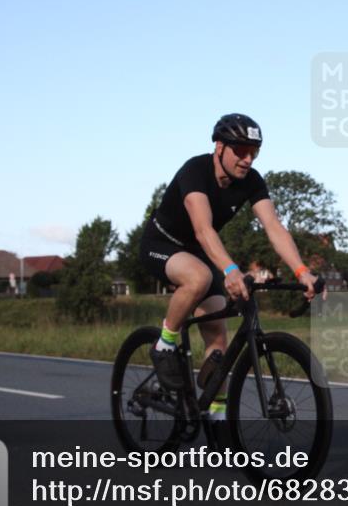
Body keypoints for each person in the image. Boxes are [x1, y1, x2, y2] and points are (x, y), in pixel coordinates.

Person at [138, 113, 323, 420]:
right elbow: (203, 230)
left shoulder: (251, 181)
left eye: (254, 152)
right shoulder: (195, 171)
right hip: (162, 245)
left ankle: (217, 412)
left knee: (218, 338)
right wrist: (230, 270)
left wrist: (302, 271)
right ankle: (164, 344)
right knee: (198, 278)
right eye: (240, 151)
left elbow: (273, 226)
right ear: (219, 147)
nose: (247, 159)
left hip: (197, 252)